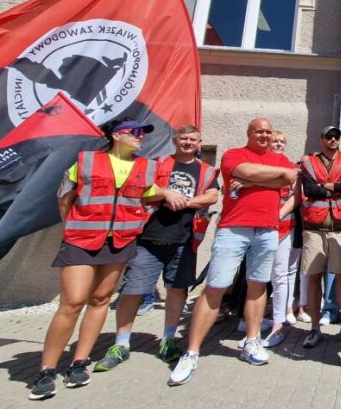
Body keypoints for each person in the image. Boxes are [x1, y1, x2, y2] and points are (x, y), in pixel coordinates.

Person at [30, 119, 173, 400]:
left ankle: (79, 361)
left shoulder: (147, 167)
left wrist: (167, 194)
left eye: (142, 133)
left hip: (119, 240)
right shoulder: (85, 161)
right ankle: (46, 369)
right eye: (135, 132)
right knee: (72, 302)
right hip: (82, 240)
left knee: (100, 299)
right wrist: (72, 227)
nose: (140, 137)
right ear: (117, 135)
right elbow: (64, 197)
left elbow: (147, 197)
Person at [168, 118, 298, 386]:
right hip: (234, 228)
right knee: (216, 286)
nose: (264, 135)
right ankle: (191, 352)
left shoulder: (281, 159)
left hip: (268, 229)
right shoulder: (233, 154)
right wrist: (276, 176)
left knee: (258, 285)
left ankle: (252, 341)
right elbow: (247, 171)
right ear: (249, 133)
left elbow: (290, 180)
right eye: (259, 131)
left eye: (268, 131)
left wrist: (250, 181)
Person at [93, 125, 220, 373]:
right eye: (183, 138)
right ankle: (121, 344)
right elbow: (138, 192)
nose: (188, 142)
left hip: (185, 239)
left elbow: (213, 196)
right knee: (133, 290)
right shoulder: (156, 164)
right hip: (149, 237)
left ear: (199, 143)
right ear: (175, 140)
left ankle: (168, 340)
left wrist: (185, 201)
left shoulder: (206, 170)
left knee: (177, 290)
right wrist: (165, 194)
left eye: (193, 139)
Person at [297, 125, 341, 349]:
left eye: (336, 136)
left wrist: (329, 186)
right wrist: (337, 187)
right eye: (329, 136)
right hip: (314, 227)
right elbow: (310, 190)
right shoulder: (309, 162)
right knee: (314, 277)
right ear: (321, 139)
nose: (333, 139)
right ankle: (314, 328)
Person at [262, 130, 300, 346]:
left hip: (283, 226)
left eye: (281, 141)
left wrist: (279, 214)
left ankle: (279, 322)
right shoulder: (259, 165)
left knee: (280, 274)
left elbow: (296, 196)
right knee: (257, 277)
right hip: (259, 226)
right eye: (275, 141)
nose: (278, 144)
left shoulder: (291, 168)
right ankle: (254, 320)